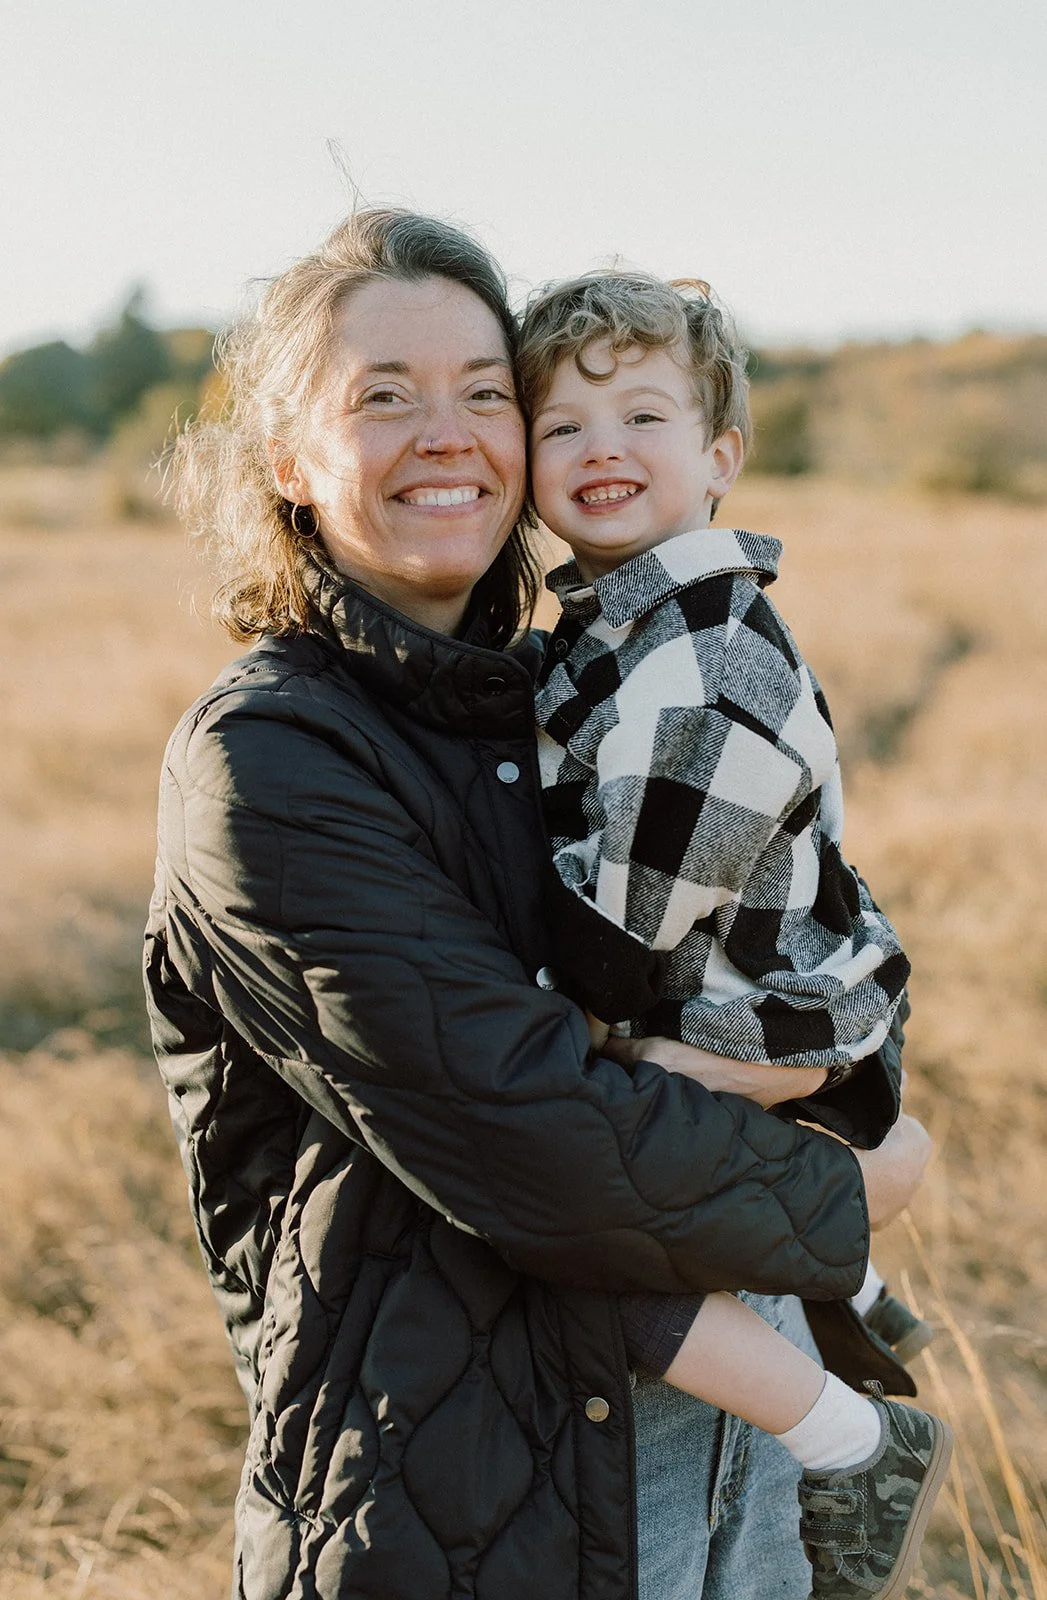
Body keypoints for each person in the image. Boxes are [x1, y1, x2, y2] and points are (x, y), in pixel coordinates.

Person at [147, 207, 932, 1600]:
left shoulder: (567, 687)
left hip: (721, 1423)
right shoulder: (268, 761)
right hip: (458, 1484)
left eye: (483, 391)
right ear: (288, 461)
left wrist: (839, 1056)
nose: (446, 435)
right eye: (383, 398)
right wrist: (855, 1176)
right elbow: (534, 1132)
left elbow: (773, 907)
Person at [520, 267, 951, 1598]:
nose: (601, 448)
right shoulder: (612, 632)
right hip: (734, 998)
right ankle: (852, 1295)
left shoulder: (704, 661)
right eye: (562, 425)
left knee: (581, 1226)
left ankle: (850, 1440)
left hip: (728, 1015)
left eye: (642, 418)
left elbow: (619, 935)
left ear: (722, 456)